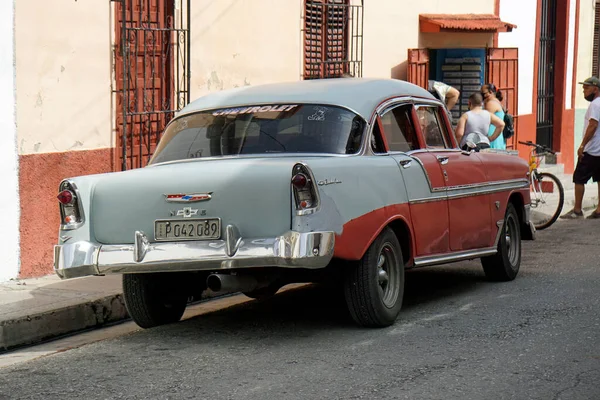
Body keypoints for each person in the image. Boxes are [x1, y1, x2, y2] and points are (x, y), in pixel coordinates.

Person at [560, 76, 600, 219]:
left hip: (592, 149)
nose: (584, 91)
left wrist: (582, 145)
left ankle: (577, 209)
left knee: (579, 178)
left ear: (595, 89)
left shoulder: (595, 105)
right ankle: (599, 210)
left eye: (586, 88)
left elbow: (593, 125)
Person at [481, 83, 506, 149]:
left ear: (490, 92)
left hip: (491, 138)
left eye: (483, 94)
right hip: (497, 138)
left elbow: (485, 120)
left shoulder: (490, 103)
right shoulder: (497, 102)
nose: (482, 97)